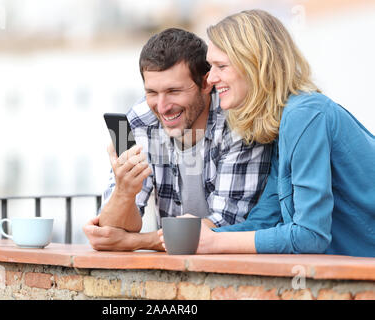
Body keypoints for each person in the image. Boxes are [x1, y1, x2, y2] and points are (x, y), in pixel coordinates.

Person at [159, 10, 375, 257]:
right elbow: (266, 219)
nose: (211, 78)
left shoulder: (305, 115)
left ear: (256, 65)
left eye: (221, 66)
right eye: (210, 66)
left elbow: (310, 235)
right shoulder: (282, 122)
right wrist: (200, 236)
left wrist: (215, 244)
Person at [83, 28, 272, 251]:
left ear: (205, 83)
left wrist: (138, 242)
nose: (162, 107)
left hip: (236, 269)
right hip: (175, 271)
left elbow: (226, 225)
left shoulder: (239, 123)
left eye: (173, 91)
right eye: (152, 92)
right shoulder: (134, 121)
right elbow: (110, 232)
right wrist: (125, 192)